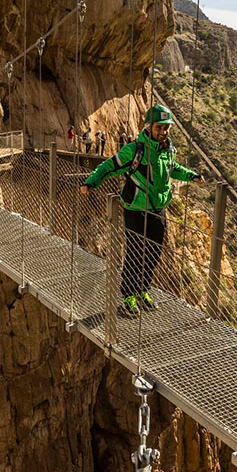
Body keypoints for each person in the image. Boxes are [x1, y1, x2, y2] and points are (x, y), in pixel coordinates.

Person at [79, 105, 203, 317]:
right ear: (149, 126)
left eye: (166, 128)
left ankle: (143, 289)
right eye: (159, 127)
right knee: (135, 254)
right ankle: (128, 296)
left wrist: (192, 176)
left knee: (153, 254)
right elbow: (109, 166)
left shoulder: (168, 150)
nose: (163, 131)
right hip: (136, 210)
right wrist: (91, 182)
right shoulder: (136, 150)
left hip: (158, 210)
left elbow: (174, 169)